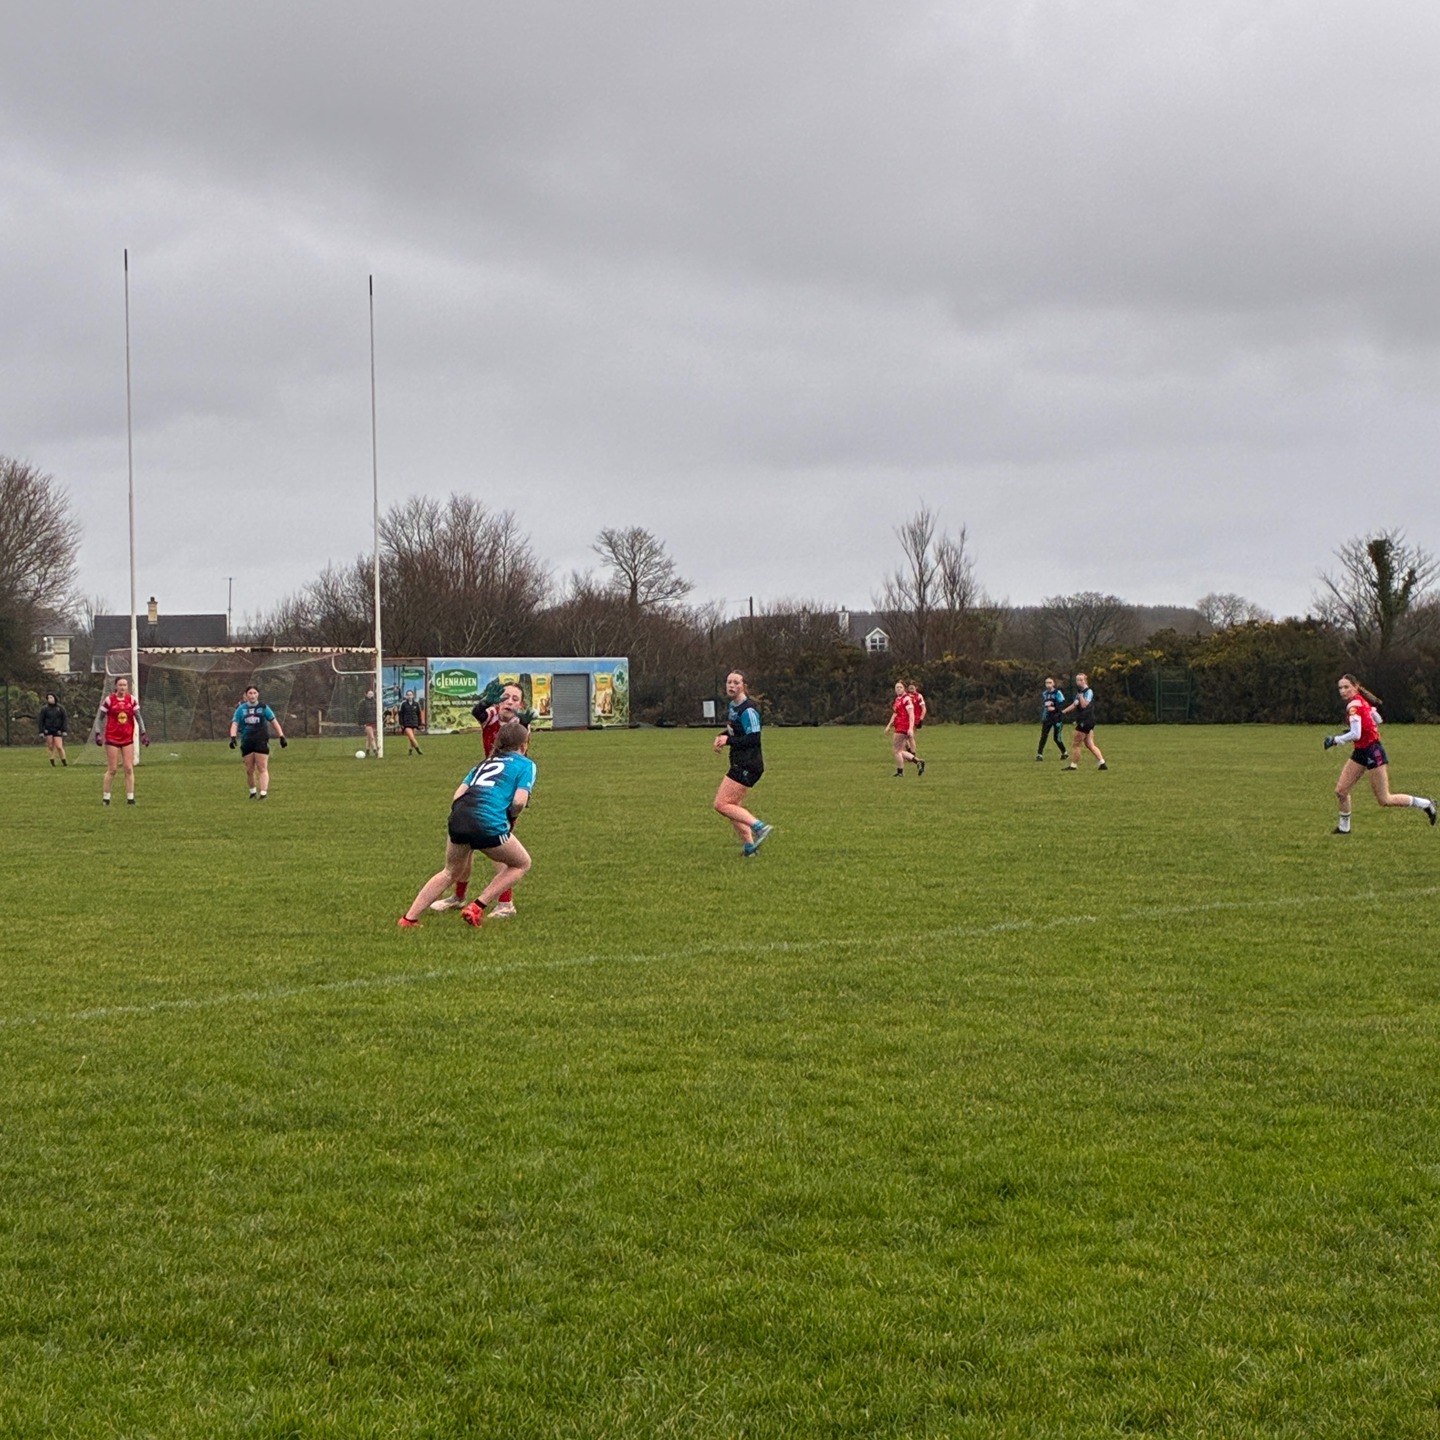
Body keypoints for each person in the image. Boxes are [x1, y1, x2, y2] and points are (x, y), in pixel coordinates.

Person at [399, 720, 535, 928]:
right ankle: (477, 906)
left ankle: (409, 918)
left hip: (459, 818)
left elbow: (457, 796)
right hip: (488, 823)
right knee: (521, 863)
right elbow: (518, 801)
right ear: (524, 744)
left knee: (450, 871)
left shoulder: (484, 763)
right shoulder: (526, 764)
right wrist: (509, 818)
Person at [1325, 674, 1436, 834]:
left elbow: (1356, 734)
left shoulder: (1354, 706)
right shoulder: (1362, 703)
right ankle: (1344, 828)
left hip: (1373, 751)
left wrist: (1335, 740)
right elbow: (1377, 720)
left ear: (1355, 687)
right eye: (1340, 688)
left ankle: (1426, 804)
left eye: (1346, 687)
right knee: (1341, 791)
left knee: (1385, 799)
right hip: (1361, 751)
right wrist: (1363, 725)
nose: (1343, 691)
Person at [713, 670, 773, 856]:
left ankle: (760, 827)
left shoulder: (748, 710)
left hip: (748, 765)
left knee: (721, 804)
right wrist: (723, 736)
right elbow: (736, 732)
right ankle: (750, 848)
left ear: (743, 686)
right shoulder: (734, 706)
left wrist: (728, 741)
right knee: (733, 807)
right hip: (740, 763)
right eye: (729, 682)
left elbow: (753, 739)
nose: (731, 685)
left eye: (736, 682)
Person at [91, 675, 149, 805]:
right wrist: (98, 733)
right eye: (120, 685)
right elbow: (99, 718)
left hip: (127, 738)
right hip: (112, 737)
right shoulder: (109, 700)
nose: (123, 687)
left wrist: (143, 733)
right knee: (113, 769)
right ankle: (106, 798)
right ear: (116, 686)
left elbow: (139, 718)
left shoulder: (132, 700)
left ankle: (130, 798)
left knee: (128, 768)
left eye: (125, 685)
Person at [229, 685, 287, 799]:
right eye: (250, 693)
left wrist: (281, 736)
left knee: (262, 768)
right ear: (246, 695)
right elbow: (235, 723)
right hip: (247, 742)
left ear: (258, 694)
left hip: (261, 740)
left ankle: (263, 794)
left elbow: (274, 721)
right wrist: (233, 737)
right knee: (249, 769)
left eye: (254, 693)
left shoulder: (264, 708)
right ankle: (252, 792)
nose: (252, 695)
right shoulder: (241, 709)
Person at [1061, 673, 1107, 771]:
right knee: (1089, 744)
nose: (1078, 682)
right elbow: (1074, 704)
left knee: (1076, 744)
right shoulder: (1080, 692)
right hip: (1086, 720)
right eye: (1077, 680)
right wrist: (1063, 712)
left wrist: (1081, 696)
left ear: (1085, 680)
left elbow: (1084, 704)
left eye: (1081, 680)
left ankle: (1073, 766)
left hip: (1086, 720)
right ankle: (1102, 763)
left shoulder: (1088, 691)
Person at [883, 680, 925, 777]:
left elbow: (911, 714)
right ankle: (918, 762)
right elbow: (895, 713)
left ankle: (900, 772)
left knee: (897, 751)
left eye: (900, 687)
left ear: (904, 688)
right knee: (900, 750)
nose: (898, 689)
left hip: (903, 726)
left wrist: (910, 728)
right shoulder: (898, 699)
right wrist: (889, 725)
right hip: (899, 726)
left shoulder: (906, 699)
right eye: (896, 687)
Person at [1037, 677, 1068, 762]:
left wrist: (1054, 709)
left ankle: (1064, 752)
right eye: (1046, 683)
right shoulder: (1045, 694)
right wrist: (1044, 716)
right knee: (1043, 736)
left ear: (1053, 683)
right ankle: (1039, 754)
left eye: (1050, 682)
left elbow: (1061, 705)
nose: (1048, 684)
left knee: (1056, 737)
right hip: (1047, 718)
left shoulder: (1058, 693)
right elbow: (1045, 706)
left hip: (1057, 718)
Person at [38, 692, 69, 766]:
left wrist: (64, 730)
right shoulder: (44, 709)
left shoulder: (60, 708)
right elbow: (41, 720)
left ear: (54, 698)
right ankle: (52, 760)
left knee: (59, 746)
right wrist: (41, 731)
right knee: (50, 746)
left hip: (57, 729)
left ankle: (63, 760)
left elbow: (64, 719)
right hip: (48, 729)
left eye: (51, 697)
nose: (50, 699)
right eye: (48, 698)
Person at [398, 689, 425, 755]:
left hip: (414, 722)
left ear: (413, 696)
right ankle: (418, 750)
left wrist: (419, 723)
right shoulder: (403, 704)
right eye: (408, 695)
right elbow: (400, 714)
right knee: (411, 737)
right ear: (406, 696)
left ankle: (410, 749)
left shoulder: (416, 704)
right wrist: (401, 723)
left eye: (410, 695)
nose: (409, 696)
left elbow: (419, 714)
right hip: (406, 723)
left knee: (412, 737)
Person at [358, 689, 379, 755]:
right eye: (369, 694)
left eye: (372, 694)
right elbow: (360, 713)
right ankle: (375, 750)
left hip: (374, 721)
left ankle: (367, 750)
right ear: (366, 694)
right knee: (372, 736)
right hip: (367, 722)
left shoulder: (375, 702)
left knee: (369, 736)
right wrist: (362, 723)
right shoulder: (363, 702)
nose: (371, 695)